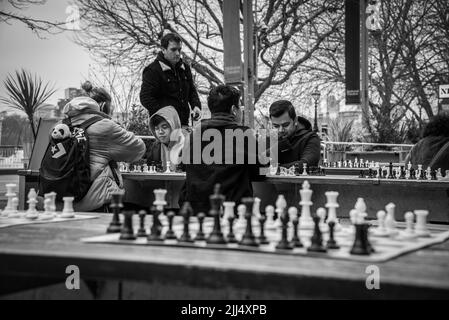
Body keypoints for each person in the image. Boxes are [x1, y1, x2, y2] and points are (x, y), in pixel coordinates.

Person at [62, 82, 146, 212]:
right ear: (102, 105)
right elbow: (138, 149)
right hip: (92, 202)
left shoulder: (62, 125)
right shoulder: (104, 126)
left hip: (60, 201)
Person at [180, 85, 264, 214]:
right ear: (234, 110)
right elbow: (260, 172)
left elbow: (184, 166)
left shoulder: (194, 133)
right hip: (233, 210)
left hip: (195, 208)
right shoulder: (244, 134)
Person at [139, 33, 201, 128]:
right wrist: (165, 115)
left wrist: (196, 106)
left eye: (179, 50)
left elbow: (192, 91)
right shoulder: (152, 70)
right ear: (163, 50)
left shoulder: (185, 68)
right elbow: (145, 98)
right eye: (173, 49)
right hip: (164, 127)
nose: (177, 53)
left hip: (183, 125)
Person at [269, 100, 321, 169]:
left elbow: (307, 164)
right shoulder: (270, 139)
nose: (280, 130)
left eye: (285, 125)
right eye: (276, 126)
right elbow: (258, 164)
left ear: (295, 121)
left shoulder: (310, 138)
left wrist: (273, 169)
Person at [146, 106, 185, 171]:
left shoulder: (188, 146)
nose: (160, 132)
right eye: (156, 128)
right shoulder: (155, 147)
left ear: (174, 126)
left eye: (164, 127)